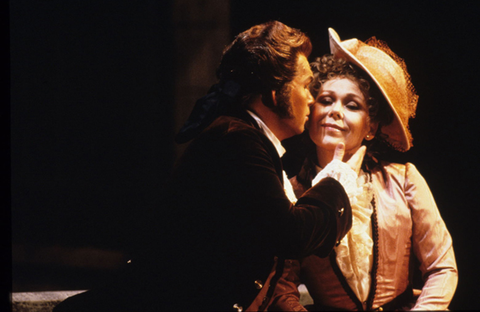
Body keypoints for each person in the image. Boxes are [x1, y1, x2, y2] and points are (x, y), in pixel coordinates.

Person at [54, 21, 357, 312]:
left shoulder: (247, 138)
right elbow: (291, 233)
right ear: (274, 94)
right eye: (305, 86)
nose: (310, 97)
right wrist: (334, 182)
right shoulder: (236, 140)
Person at [269, 28, 458, 311]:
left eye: (352, 105)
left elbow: (442, 268)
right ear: (311, 111)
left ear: (370, 127)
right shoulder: (292, 191)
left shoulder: (404, 180)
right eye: (326, 100)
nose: (335, 111)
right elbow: (283, 286)